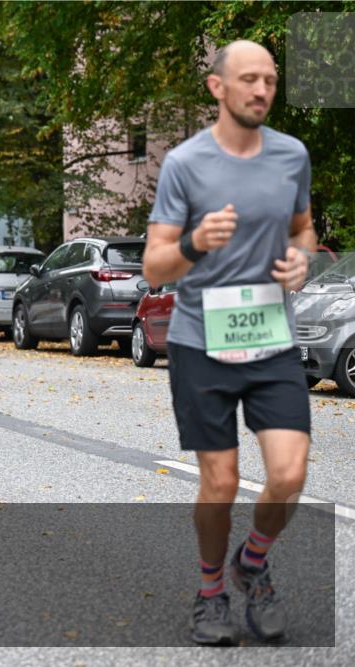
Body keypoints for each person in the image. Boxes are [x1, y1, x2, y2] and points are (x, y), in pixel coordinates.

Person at [142, 40, 316, 646]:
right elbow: (155, 266)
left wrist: (301, 260)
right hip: (201, 342)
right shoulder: (185, 163)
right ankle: (211, 591)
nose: (262, 89)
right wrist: (195, 244)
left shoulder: (292, 155)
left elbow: (303, 229)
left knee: (289, 474)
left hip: (271, 338)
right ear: (218, 87)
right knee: (219, 482)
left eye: (270, 79)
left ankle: (253, 561)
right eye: (249, 79)